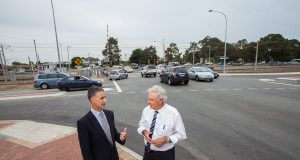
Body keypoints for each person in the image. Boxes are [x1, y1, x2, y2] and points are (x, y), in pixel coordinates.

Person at [137, 85, 187, 160]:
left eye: (151, 100)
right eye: (148, 99)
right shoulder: (146, 110)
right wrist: (144, 132)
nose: (148, 102)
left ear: (161, 100)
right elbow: (141, 125)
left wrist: (166, 140)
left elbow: (182, 134)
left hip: (165, 155)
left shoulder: (173, 113)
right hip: (148, 152)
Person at [77, 86, 127, 160]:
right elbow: (86, 151)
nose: (105, 101)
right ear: (92, 100)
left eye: (105, 97)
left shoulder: (109, 114)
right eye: (101, 98)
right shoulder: (84, 123)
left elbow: (113, 134)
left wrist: (121, 138)